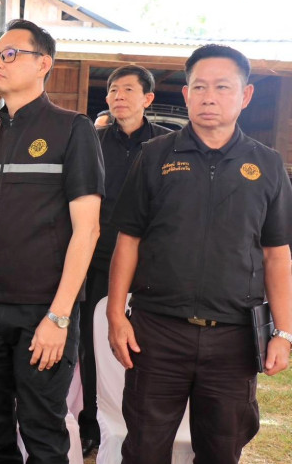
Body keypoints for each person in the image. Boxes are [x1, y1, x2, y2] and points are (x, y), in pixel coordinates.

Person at [108, 44, 292, 464]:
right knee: (144, 449)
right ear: (186, 94)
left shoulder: (267, 165)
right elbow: (128, 240)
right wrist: (116, 315)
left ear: (245, 95)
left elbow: (277, 254)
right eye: (200, 87)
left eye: (222, 87)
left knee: (222, 451)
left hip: (233, 338)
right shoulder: (154, 155)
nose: (209, 97)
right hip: (157, 333)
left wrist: (284, 332)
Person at [0, 19, 104, 463]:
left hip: (42, 313)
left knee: (42, 432)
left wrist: (59, 316)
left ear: (44, 63)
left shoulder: (72, 129)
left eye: (10, 54)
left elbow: (88, 229)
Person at [78, 65, 170, 456]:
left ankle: (142, 423)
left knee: (148, 346)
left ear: (147, 98)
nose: (118, 96)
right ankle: (91, 424)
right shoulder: (92, 141)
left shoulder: (167, 144)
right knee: (92, 344)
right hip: (98, 261)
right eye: (113, 90)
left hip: (151, 265)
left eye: (127, 90)